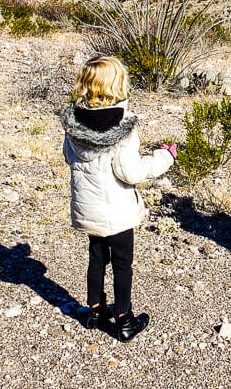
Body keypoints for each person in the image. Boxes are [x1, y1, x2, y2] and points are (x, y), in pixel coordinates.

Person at [61, 55, 177, 342]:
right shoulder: (123, 126)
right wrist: (164, 157)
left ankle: (95, 311)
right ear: (118, 84)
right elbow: (131, 172)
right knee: (123, 263)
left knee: (96, 258)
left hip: (88, 208)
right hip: (117, 211)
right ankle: (125, 320)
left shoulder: (73, 121)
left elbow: (68, 156)